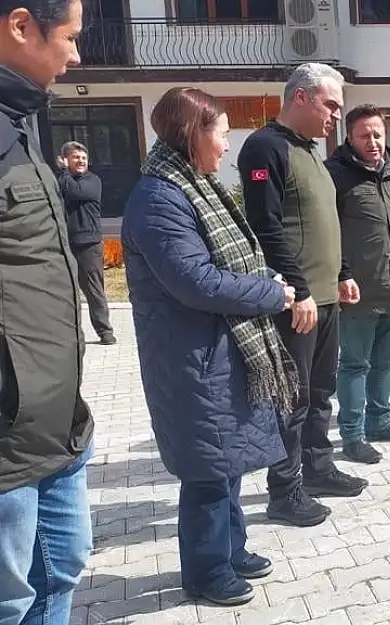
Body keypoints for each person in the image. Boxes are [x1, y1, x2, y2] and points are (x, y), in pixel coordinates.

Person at [122, 87, 297, 607]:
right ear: (191, 134)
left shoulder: (194, 185)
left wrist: (263, 280)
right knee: (207, 471)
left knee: (228, 460)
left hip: (218, 350)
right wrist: (269, 293)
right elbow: (195, 281)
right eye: (220, 134)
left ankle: (231, 548)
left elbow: (231, 261)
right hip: (190, 357)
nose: (225, 146)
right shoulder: (159, 197)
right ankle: (205, 572)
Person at [238, 62, 366, 527]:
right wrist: (301, 289)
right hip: (297, 302)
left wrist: (343, 272)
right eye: (331, 104)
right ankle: (284, 490)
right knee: (292, 398)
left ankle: (317, 469)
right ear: (301, 98)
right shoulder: (264, 147)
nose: (335, 115)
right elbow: (266, 227)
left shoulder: (311, 151)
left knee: (320, 391)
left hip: (326, 297)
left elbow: (325, 220)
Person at [0, 1, 92, 622]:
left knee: (59, 573)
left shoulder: (23, 120)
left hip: (59, 422)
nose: (77, 55)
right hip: (9, 435)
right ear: (21, 26)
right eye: (70, 37)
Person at [326, 104, 390, 464]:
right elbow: (328, 233)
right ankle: (352, 435)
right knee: (355, 363)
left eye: (377, 134)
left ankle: (380, 420)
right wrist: (341, 274)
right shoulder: (335, 176)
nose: (372, 142)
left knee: (387, 360)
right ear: (349, 138)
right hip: (359, 289)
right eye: (364, 135)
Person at [57, 141, 116, 345]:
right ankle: (71, 335)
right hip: (65, 243)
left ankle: (105, 332)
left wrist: (64, 172)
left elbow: (75, 192)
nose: (81, 161)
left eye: (83, 158)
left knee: (93, 290)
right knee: (66, 291)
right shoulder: (62, 182)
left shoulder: (92, 181)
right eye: (76, 157)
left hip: (88, 244)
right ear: (66, 159)